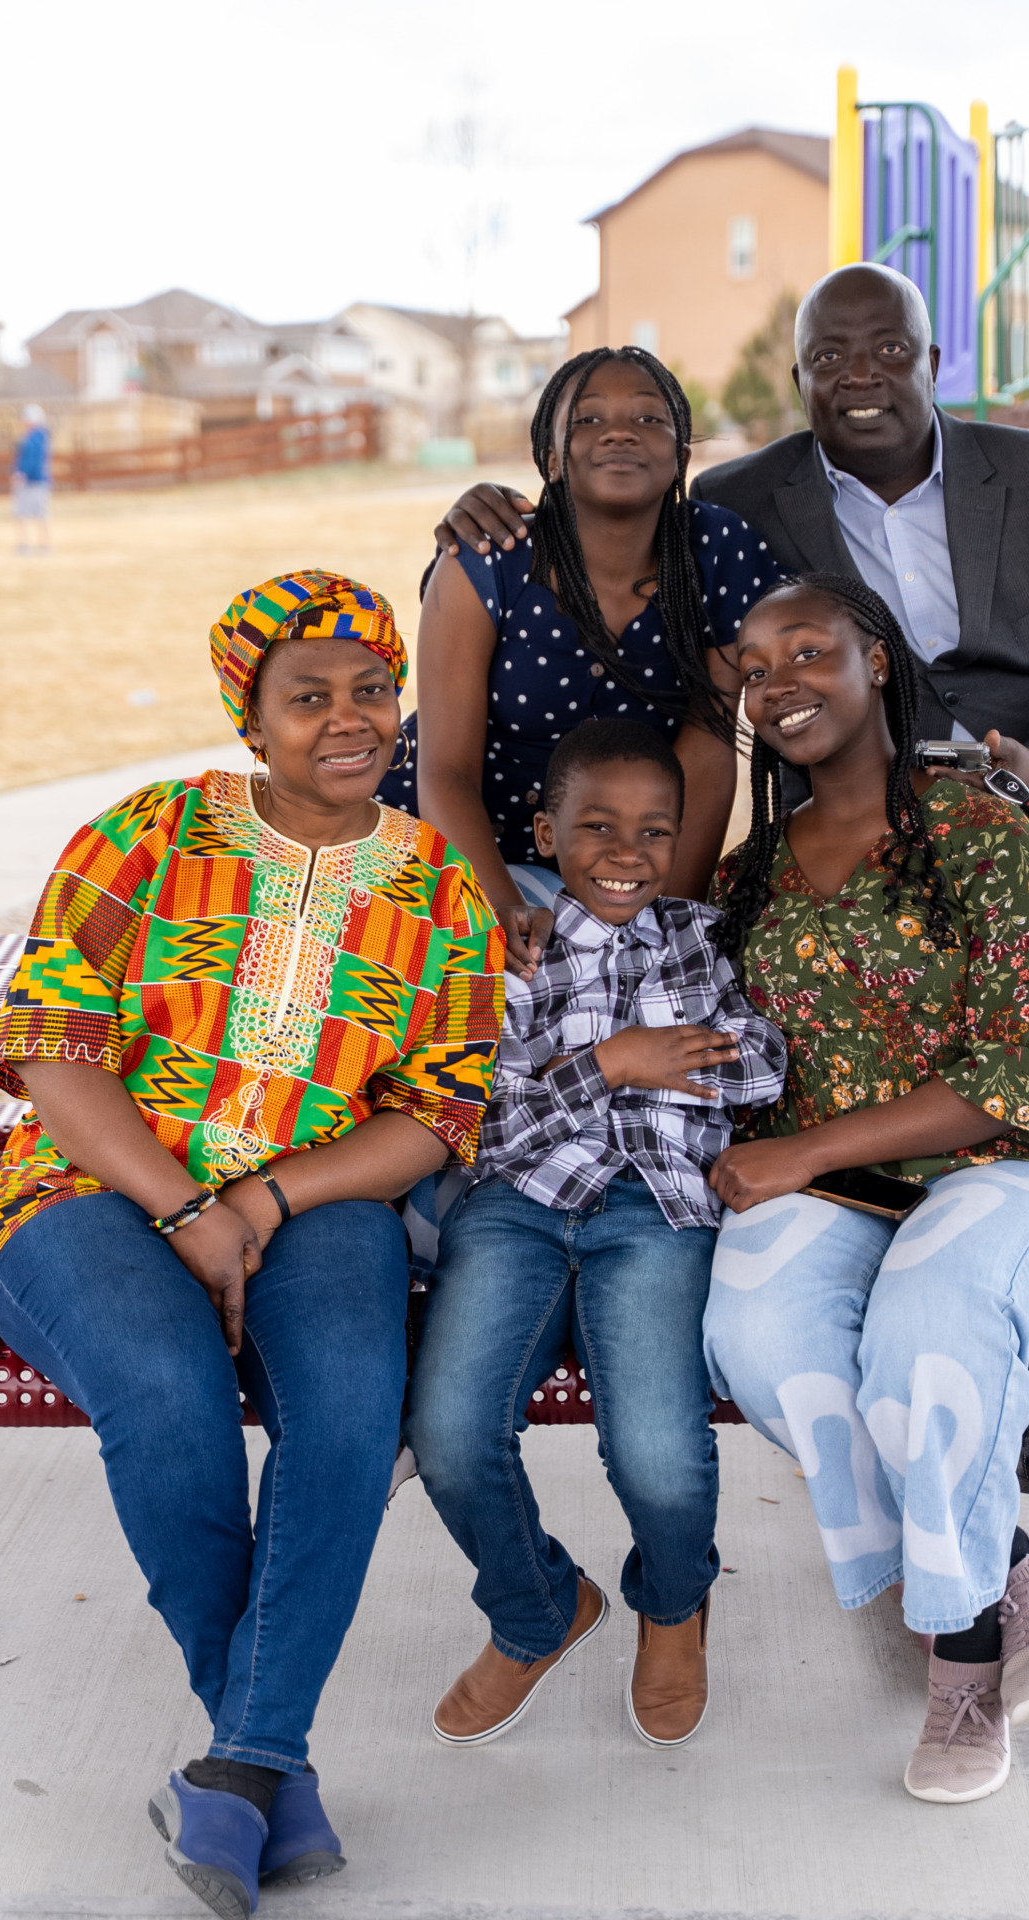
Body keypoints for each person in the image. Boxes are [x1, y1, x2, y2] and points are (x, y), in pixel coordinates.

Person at [432, 262, 1029, 1580]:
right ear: (801, 377)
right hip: (885, 847)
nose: (861, 379)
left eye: (888, 352)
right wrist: (487, 509)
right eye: (833, 359)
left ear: (934, 358)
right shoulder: (744, 505)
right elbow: (608, 528)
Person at [0, 571, 504, 1918]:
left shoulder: (441, 885)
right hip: (87, 1191)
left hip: (319, 1200)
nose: (349, 718)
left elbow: (441, 1111)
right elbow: (52, 1049)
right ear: (249, 717)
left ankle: (241, 1767)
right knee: (167, 1402)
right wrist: (184, 1207)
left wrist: (260, 1206)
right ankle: (265, 1755)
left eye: (371, 689)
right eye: (307, 696)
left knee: (344, 1408)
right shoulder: (145, 835)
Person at [702, 574, 1029, 1803]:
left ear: (875, 657)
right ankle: (1008, 1557)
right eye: (758, 671)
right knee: (761, 1339)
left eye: (810, 652)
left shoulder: (977, 826)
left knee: (927, 1347)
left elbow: (1012, 1071)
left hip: (998, 1176)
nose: (782, 686)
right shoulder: (747, 874)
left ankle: (965, 1662)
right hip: (834, 1192)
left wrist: (800, 1155)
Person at [406, 719, 787, 1749]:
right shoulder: (510, 954)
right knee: (447, 1433)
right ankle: (539, 1608)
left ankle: (673, 1605)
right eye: (599, 828)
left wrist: (670, 1059)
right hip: (517, 1208)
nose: (628, 854)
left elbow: (758, 1066)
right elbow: (482, 1122)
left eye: (654, 832)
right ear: (546, 829)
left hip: (657, 1213)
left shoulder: (705, 940)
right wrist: (615, 1061)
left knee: (659, 1455)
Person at [378, 345, 782, 978]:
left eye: (649, 419)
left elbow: (706, 753)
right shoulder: (485, 557)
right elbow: (446, 770)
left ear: (682, 457)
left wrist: (664, 927)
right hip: (455, 843)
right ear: (550, 458)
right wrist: (504, 915)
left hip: (612, 857)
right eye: (588, 420)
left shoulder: (718, 550)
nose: (620, 431)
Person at [12, 403, 52, 553]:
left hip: (33, 480)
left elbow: (32, 459)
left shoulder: (37, 436)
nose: (23, 421)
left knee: (27, 513)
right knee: (35, 513)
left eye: (26, 418)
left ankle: (30, 545)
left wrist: (21, 473)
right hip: (36, 480)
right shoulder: (36, 435)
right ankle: (38, 545)